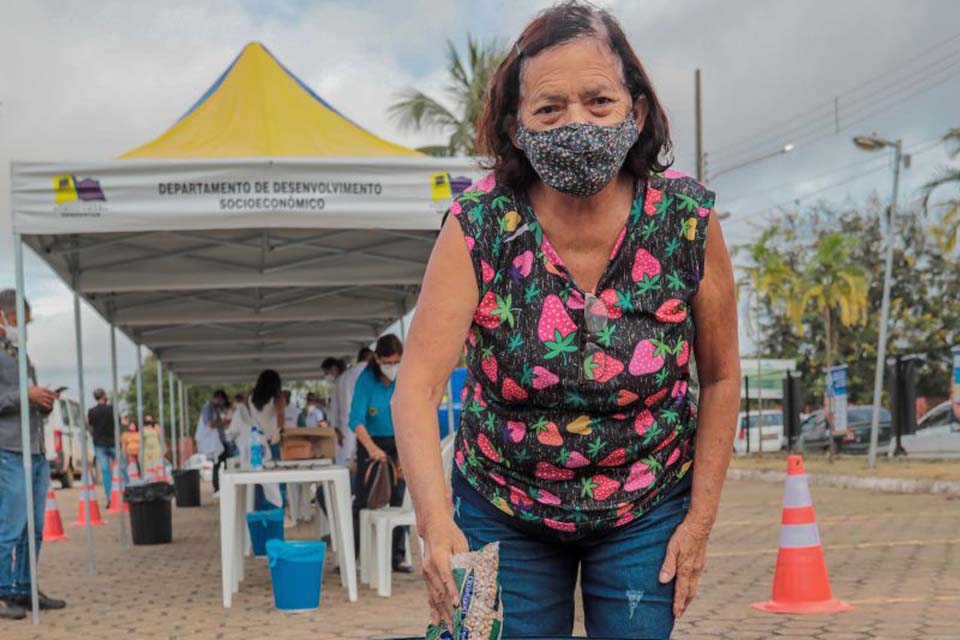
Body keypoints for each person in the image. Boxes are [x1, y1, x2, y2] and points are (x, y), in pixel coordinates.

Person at [391, 5, 740, 638]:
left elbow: (719, 380)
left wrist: (699, 521)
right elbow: (414, 390)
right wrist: (437, 526)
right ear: (516, 128)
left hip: (644, 504)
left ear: (635, 113)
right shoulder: (477, 225)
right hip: (498, 503)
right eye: (549, 109)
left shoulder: (687, 221)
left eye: (599, 101)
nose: (576, 122)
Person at [0, 290, 66, 620]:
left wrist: (41, 401)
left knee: (34, 527)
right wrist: (23, 394)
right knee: (10, 526)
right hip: (9, 449)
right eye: (18, 322)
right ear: (2, 317)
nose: (23, 328)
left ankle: (23, 587)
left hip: (35, 448)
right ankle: (2, 591)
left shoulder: (19, 353)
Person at [349, 335, 412, 573]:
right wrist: (372, 449)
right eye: (388, 362)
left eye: (397, 361)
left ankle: (397, 556)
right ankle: (355, 554)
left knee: (400, 498)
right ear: (377, 359)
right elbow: (356, 420)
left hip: (399, 441)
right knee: (365, 500)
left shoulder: (404, 376)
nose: (392, 367)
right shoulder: (365, 381)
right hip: (372, 443)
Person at [329, 348, 373, 467]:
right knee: (369, 463)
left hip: (346, 429)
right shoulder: (372, 374)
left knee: (348, 464)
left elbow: (333, 408)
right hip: (369, 427)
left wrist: (336, 429)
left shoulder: (342, 378)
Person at [87, 388, 116, 504]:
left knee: (105, 472)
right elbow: (117, 422)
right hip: (112, 442)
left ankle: (110, 498)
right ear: (104, 396)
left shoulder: (91, 411)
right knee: (121, 469)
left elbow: (90, 425)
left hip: (99, 444)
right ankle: (127, 493)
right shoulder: (111, 409)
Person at [197, 390, 228, 496]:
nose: (222, 403)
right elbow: (210, 424)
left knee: (226, 463)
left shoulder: (217, 408)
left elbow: (221, 422)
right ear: (218, 397)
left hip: (220, 440)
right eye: (222, 400)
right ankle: (217, 488)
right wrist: (222, 423)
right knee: (217, 464)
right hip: (214, 442)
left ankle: (224, 486)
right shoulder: (208, 408)